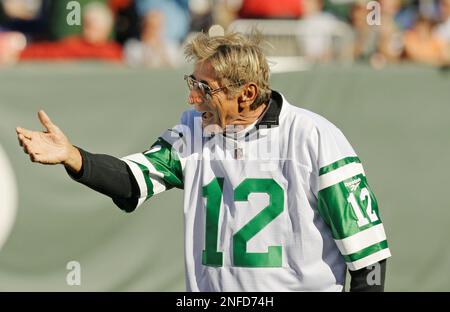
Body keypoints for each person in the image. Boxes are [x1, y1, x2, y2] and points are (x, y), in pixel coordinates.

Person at [16, 31, 390, 292]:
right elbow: (132, 180)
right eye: (192, 85)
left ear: (247, 93)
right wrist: (73, 157)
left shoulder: (313, 137)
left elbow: (368, 256)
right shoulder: (194, 131)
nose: (193, 100)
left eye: (204, 90)